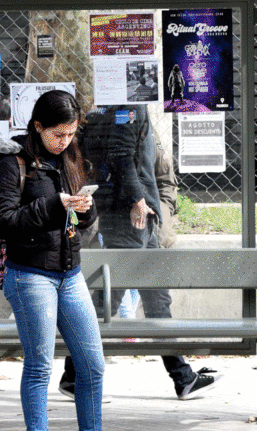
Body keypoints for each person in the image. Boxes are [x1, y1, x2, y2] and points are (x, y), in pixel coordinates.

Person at [0, 89, 137, 431]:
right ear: (37, 126)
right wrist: (56, 205)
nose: (65, 141)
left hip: (69, 274)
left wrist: (85, 213)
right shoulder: (13, 162)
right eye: (58, 134)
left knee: (91, 363)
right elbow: (5, 221)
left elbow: (80, 222)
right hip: (30, 273)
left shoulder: (71, 157)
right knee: (39, 364)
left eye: (71, 133)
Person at [61, 106, 223, 400]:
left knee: (155, 297)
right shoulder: (128, 106)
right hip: (131, 216)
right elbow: (122, 156)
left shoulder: (118, 108)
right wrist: (138, 200)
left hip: (138, 215)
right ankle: (73, 376)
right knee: (106, 301)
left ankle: (182, 378)